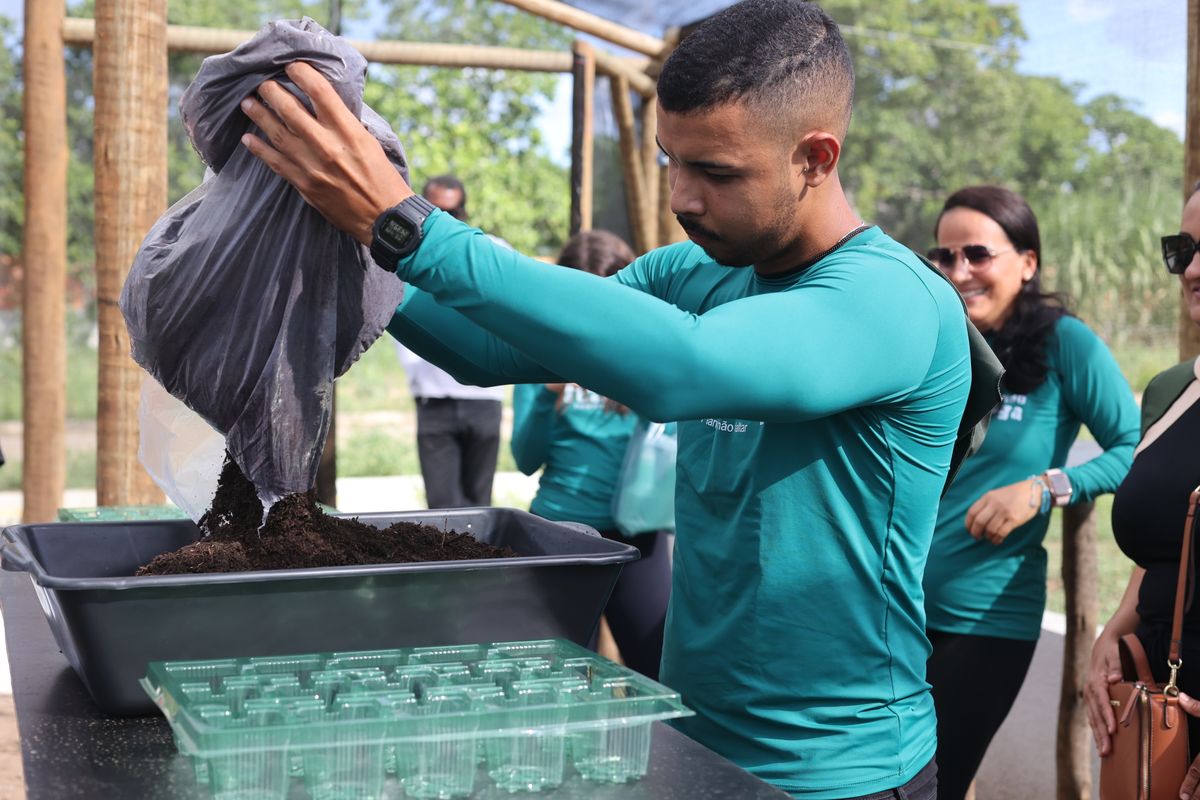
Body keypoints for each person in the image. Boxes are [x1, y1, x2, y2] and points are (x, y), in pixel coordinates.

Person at [239, 2, 998, 795]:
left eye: (717, 172)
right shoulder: (692, 273)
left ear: (816, 156)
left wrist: (407, 226)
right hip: (693, 747)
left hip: (842, 774)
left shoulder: (890, 300)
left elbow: (682, 370)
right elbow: (486, 348)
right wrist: (346, 235)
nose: (682, 198)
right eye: (673, 160)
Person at [919, 186, 1140, 800]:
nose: (958, 271)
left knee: (933, 786)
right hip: (889, 611)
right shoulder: (934, 340)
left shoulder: (1064, 343)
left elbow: (1134, 449)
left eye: (978, 254)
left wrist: (1045, 488)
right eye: (943, 255)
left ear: (1028, 261)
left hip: (982, 620)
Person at [510, 229, 670, 681]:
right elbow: (525, 458)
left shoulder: (647, 357)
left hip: (637, 536)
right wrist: (546, 395)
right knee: (565, 680)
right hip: (563, 535)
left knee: (656, 670)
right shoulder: (539, 356)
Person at [1086, 182, 1200, 798]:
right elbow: (1160, 548)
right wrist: (1110, 634)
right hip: (1158, 703)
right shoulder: (1168, 391)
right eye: (1183, 249)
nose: (1194, 267)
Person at [393, 174, 506, 509]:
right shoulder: (406, 259)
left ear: (465, 213)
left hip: (483, 401)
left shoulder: (494, 251)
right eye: (435, 210)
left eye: (453, 212)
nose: (444, 220)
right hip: (435, 400)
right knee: (442, 510)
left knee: (479, 505)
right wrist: (418, 378)